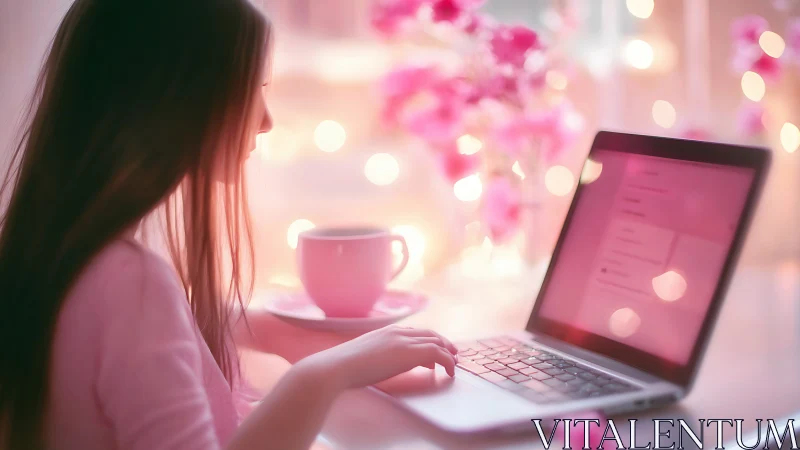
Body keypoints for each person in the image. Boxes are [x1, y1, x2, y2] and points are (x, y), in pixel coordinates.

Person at [0, 1, 459, 449]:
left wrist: (271, 331)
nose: (265, 121)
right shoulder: (133, 283)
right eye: (249, 90)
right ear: (177, 101)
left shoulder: (50, 254)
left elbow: (131, 338)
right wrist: (325, 374)